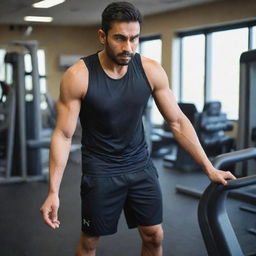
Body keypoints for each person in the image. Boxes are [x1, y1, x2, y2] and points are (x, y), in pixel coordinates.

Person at [40, 2, 236, 256]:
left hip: (140, 166)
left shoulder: (150, 70)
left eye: (134, 39)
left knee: (154, 236)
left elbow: (177, 121)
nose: (128, 47)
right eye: (120, 38)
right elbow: (64, 135)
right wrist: (53, 192)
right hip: (101, 170)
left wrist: (208, 168)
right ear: (103, 36)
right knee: (89, 243)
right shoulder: (79, 75)